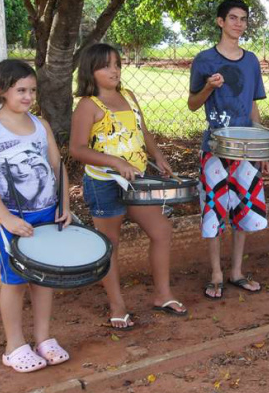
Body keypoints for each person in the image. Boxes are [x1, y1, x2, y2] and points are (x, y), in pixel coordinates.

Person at [70, 43, 186, 329]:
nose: (114, 70)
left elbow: (142, 131)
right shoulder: (88, 105)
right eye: (106, 65)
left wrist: (158, 158)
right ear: (90, 71)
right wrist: (113, 161)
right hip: (104, 183)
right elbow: (77, 149)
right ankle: (117, 304)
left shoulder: (129, 96)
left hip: (137, 181)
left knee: (161, 230)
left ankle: (162, 294)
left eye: (117, 64)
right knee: (111, 244)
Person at [0, 59, 71, 372]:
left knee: (44, 279)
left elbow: (58, 166)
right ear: (1, 90)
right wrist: (5, 218)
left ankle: (43, 338)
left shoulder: (40, 125)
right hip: (13, 221)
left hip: (46, 214)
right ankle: (14, 345)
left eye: (32, 90)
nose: (29, 96)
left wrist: (63, 205)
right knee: (14, 282)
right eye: (21, 90)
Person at [188, 0, 269, 299]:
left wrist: (260, 149)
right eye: (233, 18)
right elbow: (193, 104)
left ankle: (235, 271)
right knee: (213, 211)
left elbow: (252, 107)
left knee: (243, 210)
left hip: (246, 150)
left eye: (243, 19)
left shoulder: (251, 62)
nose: (239, 24)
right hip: (214, 149)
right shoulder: (204, 60)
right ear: (220, 22)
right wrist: (209, 87)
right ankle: (216, 274)